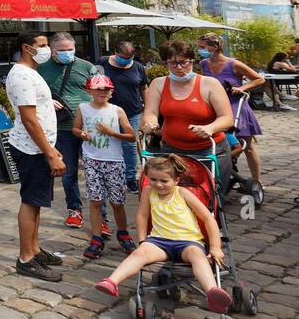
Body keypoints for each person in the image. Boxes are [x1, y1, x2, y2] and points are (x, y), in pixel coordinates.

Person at [93, 154, 232, 313]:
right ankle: (112, 281)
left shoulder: (182, 193)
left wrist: (215, 247)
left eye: (164, 181)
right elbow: (142, 215)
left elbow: (209, 219)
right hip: (159, 241)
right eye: (153, 179)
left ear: (176, 180)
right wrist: (142, 240)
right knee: (139, 253)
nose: (158, 185)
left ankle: (212, 291)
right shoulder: (148, 192)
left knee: (197, 256)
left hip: (188, 242)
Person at [5, 32, 67, 282]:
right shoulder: (20, 75)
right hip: (31, 149)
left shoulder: (31, 72)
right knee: (30, 201)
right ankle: (26, 259)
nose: (47, 50)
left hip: (39, 146)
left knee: (37, 201)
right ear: (26, 48)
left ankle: (34, 248)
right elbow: (29, 119)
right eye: (42, 46)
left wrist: (51, 147)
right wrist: (50, 152)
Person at [139, 40, 234, 198]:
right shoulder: (159, 84)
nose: (179, 68)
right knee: (171, 196)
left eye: (183, 63)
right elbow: (150, 112)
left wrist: (210, 128)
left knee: (209, 197)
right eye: (172, 63)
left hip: (209, 150)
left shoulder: (209, 84)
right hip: (172, 150)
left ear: (192, 61)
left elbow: (227, 118)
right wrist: (150, 122)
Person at [37, 32, 99, 229]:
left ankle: (102, 217)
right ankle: (74, 210)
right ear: (52, 50)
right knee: (69, 171)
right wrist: (46, 102)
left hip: (89, 127)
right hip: (62, 128)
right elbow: (33, 96)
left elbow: (101, 91)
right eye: (61, 50)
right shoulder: (41, 69)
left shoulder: (86, 66)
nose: (66, 53)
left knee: (95, 171)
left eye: (70, 49)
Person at [73, 74, 137, 260]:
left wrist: (111, 132)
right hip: (92, 159)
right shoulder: (83, 108)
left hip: (114, 160)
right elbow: (75, 129)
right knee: (95, 200)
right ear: (89, 91)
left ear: (111, 92)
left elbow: (132, 136)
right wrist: (82, 133)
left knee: (117, 201)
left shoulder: (117, 110)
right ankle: (96, 237)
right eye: (98, 89)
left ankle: (123, 233)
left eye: (106, 89)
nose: (103, 92)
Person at [196, 33, 264, 191]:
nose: (200, 50)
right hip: (214, 108)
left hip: (236, 107)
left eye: (202, 47)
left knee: (247, 147)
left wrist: (241, 88)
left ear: (215, 47)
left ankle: (257, 181)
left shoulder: (234, 64)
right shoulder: (204, 64)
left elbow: (259, 79)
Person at [95, 41, 148, 192]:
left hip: (132, 112)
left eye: (129, 57)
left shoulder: (138, 67)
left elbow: (144, 87)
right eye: (123, 57)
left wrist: (148, 108)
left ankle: (130, 178)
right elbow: (93, 82)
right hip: (107, 111)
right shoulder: (103, 62)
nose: (126, 60)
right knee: (107, 143)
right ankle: (107, 176)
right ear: (115, 52)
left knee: (130, 145)